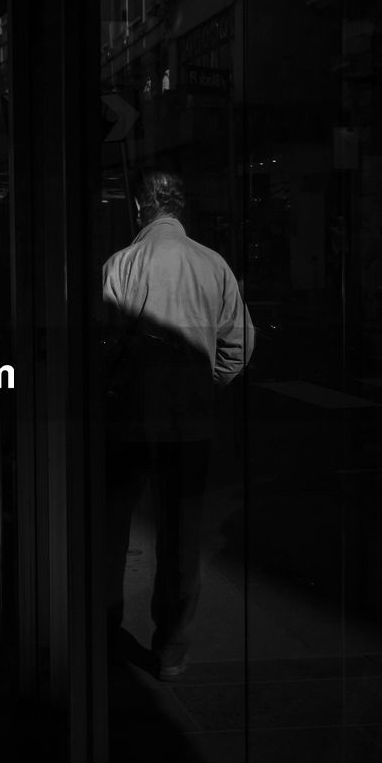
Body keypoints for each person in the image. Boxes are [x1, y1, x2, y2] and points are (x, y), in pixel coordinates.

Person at [101, 169, 254, 681]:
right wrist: (205, 386)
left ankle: (104, 632)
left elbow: (104, 348)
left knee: (111, 533)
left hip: (127, 423)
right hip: (190, 426)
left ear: (140, 209)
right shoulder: (214, 266)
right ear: (179, 207)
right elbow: (239, 347)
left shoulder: (122, 264)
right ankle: (171, 648)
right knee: (182, 538)